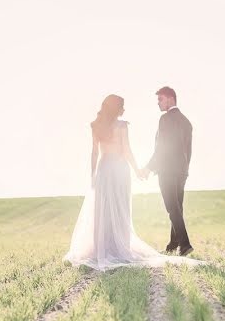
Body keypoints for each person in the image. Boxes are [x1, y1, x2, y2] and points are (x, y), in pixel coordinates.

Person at [64, 94, 201, 271]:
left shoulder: (95, 126)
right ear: (116, 108)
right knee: (120, 207)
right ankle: (122, 246)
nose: (124, 109)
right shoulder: (122, 126)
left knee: (103, 208)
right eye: (122, 105)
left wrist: (93, 175)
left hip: (103, 169)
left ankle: (103, 247)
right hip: (120, 170)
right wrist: (137, 170)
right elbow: (126, 150)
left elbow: (94, 153)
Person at [138, 86, 194, 256]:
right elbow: (188, 150)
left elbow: (162, 147)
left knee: (172, 208)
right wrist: (185, 169)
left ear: (170, 99)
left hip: (167, 170)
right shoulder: (186, 121)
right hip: (182, 171)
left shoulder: (165, 120)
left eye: (160, 99)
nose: (158, 103)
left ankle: (184, 244)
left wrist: (148, 167)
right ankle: (173, 243)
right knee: (177, 207)